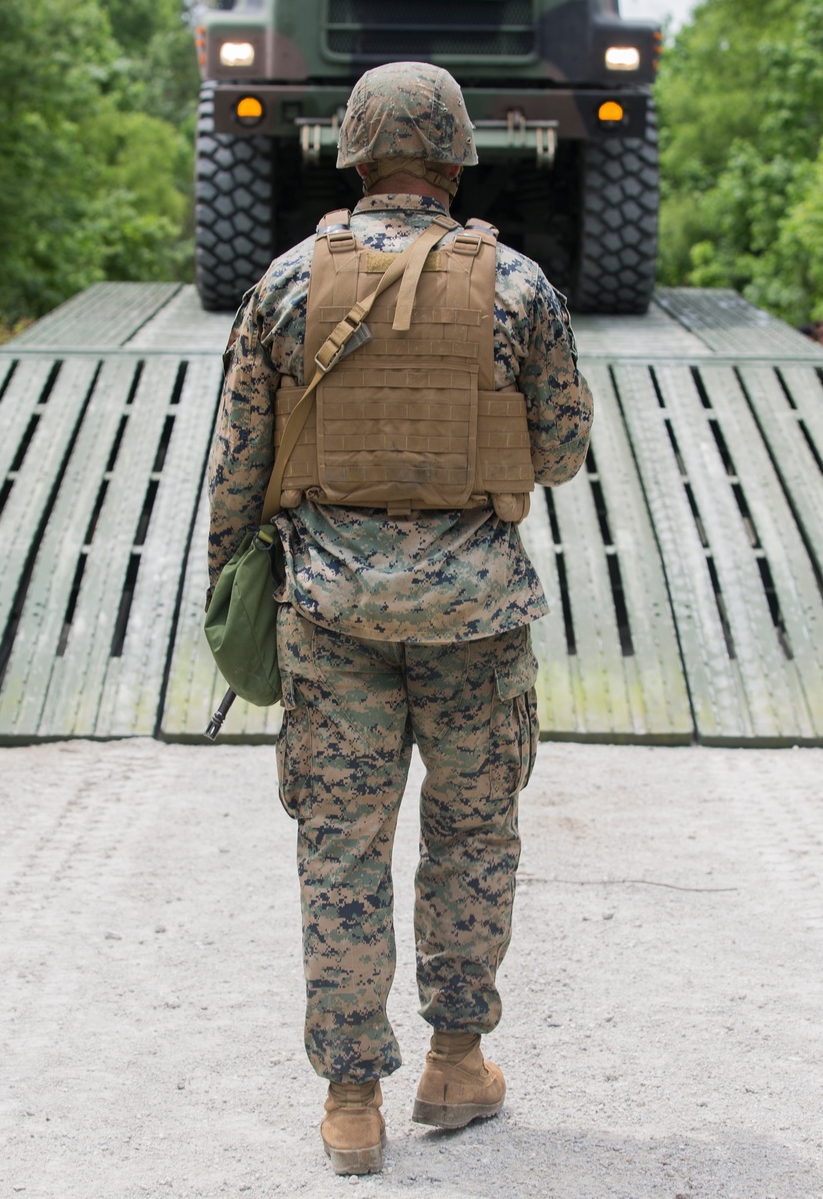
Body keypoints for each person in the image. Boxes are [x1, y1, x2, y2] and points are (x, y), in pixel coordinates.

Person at [207, 62, 594, 1176]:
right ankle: (455, 1062)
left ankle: (350, 1103)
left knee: (341, 849)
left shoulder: (287, 284)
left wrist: (229, 589)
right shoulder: (517, 285)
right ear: (459, 157)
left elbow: (238, 466)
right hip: (476, 618)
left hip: (328, 613)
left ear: (354, 153)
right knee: (471, 840)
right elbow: (562, 452)